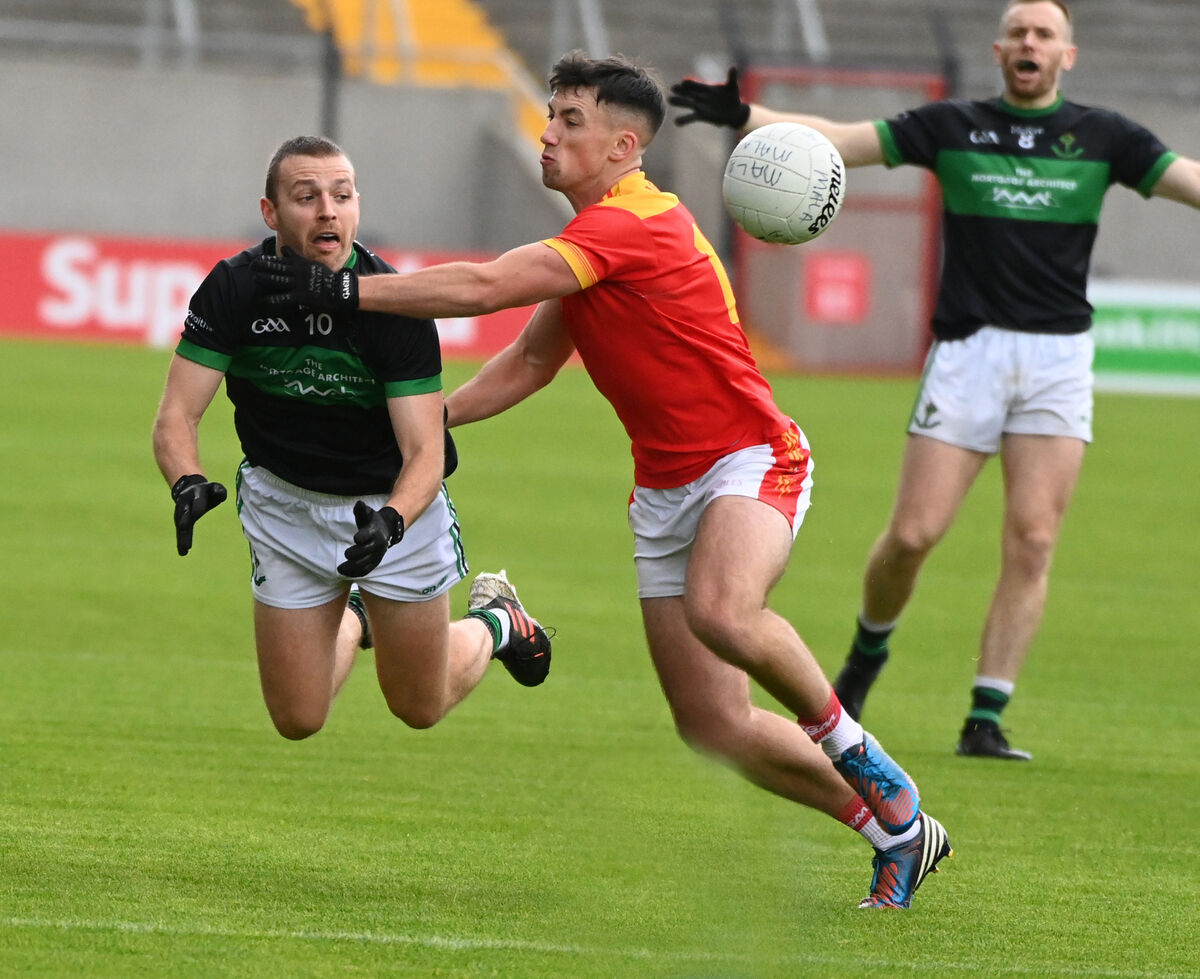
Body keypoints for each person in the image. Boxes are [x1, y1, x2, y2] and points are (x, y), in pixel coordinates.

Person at [252, 53, 950, 910]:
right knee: (712, 724)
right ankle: (896, 831)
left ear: (624, 144)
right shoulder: (593, 240)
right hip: (665, 489)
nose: (547, 133)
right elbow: (533, 361)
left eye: (569, 121)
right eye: (550, 115)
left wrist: (341, 289)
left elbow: (483, 286)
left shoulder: (637, 223)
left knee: (724, 609)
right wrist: (430, 426)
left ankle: (861, 754)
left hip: (752, 456)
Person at [669, 0, 1200, 760]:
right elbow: (843, 146)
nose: (1030, 42)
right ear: (999, 49)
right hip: (968, 354)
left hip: (1058, 360)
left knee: (1034, 539)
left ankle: (987, 714)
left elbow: (1188, 179)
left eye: (1045, 34)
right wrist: (747, 113)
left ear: (1066, 55)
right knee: (913, 536)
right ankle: (864, 657)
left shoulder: (1107, 136)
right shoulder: (953, 126)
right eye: (1019, 31)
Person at [152, 135, 551, 743]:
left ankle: (497, 621)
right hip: (283, 505)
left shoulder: (395, 303)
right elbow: (176, 416)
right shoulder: (235, 288)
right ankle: (360, 616)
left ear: (357, 207)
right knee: (297, 719)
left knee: (419, 705)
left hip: (391, 510)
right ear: (271, 213)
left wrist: (390, 521)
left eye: (341, 195)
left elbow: (425, 453)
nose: (327, 211)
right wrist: (185, 480)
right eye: (306, 197)